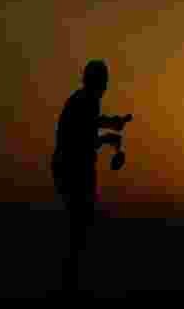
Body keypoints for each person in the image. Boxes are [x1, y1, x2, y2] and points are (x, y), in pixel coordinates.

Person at [51, 59, 132, 291]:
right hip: (74, 170)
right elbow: (83, 140)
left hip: (69, 167)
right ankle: (72, 283)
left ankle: (71, 280)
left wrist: (110, 130)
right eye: (104, 82)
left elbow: (87, 133)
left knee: (78, 226)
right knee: (80, 227)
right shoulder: (86, 101)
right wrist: (111, 132)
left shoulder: (81, 100)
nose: (105, 87)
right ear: (99, 82)